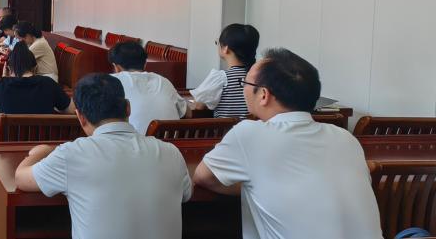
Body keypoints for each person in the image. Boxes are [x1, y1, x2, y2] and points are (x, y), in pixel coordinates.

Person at [193, 49, 381, 239]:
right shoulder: (346, 139)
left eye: (245, 83)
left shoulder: (249, 134)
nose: (244, 89)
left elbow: (202, 177)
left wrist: (253, 186)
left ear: (264, 95)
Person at [15, 73, 192, 239]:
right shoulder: (171, 153)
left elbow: (21, 178)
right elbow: (186, 194)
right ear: (128, 108)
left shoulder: (72, 155)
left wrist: (39, 152)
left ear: (80, 117)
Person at [108, 41, 188, 135]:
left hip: (131, 142)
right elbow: (187, 113)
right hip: (171, 142)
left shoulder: (111, 81)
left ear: (116, 67)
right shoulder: (163, 80)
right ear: (145, 64)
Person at [191, 24, 260, 118]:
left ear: (225, 48)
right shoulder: (260, 77)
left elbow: (198, 106)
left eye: (217, 42)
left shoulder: (221, 78)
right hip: (254, 127)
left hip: (225, 128)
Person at [0, 44, 71, 114]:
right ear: (35, 68)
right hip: (43, 134)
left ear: (8, 68)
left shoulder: (2, 84)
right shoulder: (49, 83)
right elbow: (71, 109)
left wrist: (4, 78)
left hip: (10, 134)